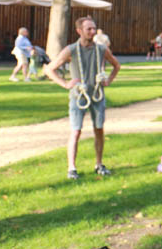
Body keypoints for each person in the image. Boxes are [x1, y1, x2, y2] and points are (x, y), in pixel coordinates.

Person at [44, 16, 121, 180]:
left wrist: (108, 80)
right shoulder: (71, 50)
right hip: (78, 96)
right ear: (79, 31)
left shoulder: (101, 49)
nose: (93, 32)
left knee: (99, 129)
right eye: (89, 29)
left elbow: (116, 65)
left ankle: (99, 164)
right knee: (76, 131)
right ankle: (72, 168)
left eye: (94, 28)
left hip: (97, 95)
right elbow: (50, 69)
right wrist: (65, 83)